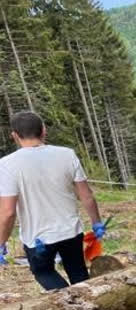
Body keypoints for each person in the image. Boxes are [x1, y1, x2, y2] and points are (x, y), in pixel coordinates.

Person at [0, 111, 106, 290]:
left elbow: (8, 212)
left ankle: (71, 304)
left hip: (38, 238)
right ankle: (90, 306)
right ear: (43, 130)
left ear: (14, 135)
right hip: (70, 231)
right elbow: (86, 195)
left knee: (44, 272)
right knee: (78, 271)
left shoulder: (7, 164)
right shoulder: (67, 155)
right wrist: (97, 223)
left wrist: (1, 242)